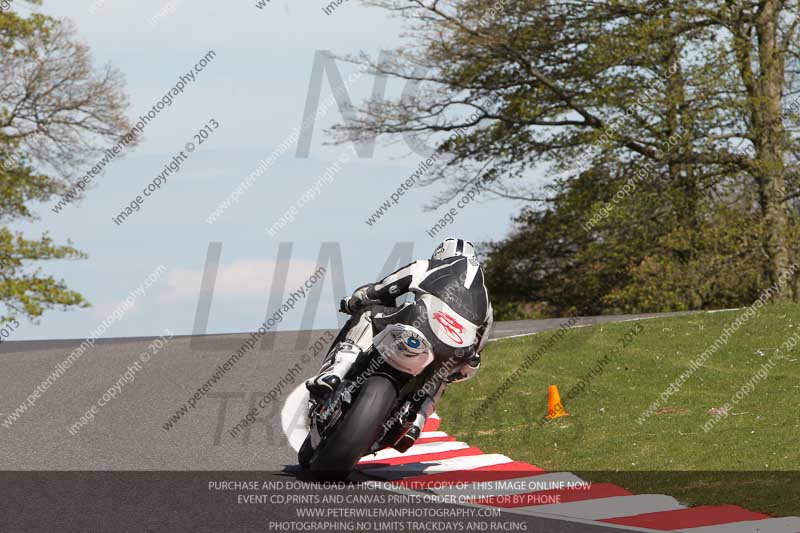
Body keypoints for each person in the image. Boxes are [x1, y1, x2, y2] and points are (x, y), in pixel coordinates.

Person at [305, 237, 493, 447]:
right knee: (443, 375)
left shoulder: (427, 266)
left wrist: (353, 301)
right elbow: (477, 351)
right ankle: (417, 421)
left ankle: (336, 372)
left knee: (368, 314)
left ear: (440, 253)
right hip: (457, 349)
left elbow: (380, 289)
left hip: (419, 323)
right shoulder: (486, 301)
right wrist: (462, 367)